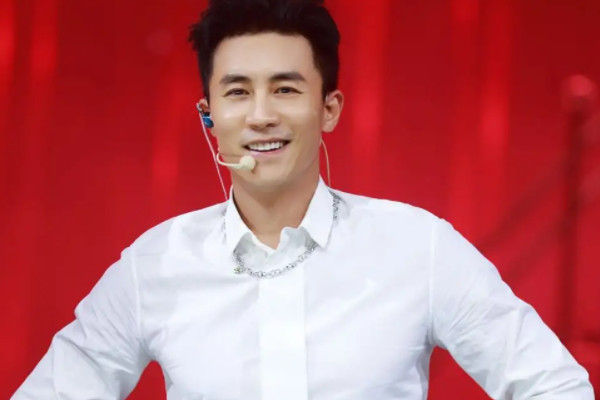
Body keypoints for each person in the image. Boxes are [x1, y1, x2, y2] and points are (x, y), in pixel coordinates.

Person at [12, 0, 595, 399]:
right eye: (237, 92)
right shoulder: (156, 264)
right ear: (209, 116)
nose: (261, 115)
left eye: (286, 88)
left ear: (329, 109)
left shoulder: (418, 247)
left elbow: (555, 387)